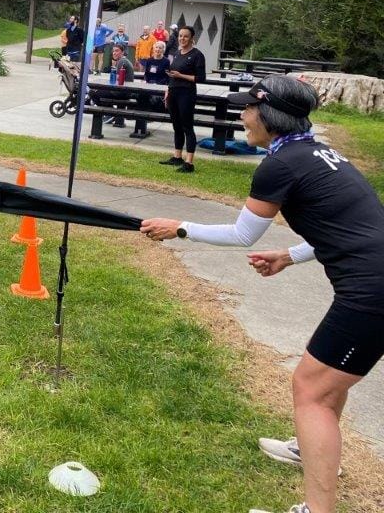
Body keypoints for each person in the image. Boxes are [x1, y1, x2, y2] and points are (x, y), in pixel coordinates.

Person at [141, 76, 384, 513]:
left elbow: (243, 234)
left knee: (310, 389)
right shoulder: (322, 154)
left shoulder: (280, 164)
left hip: (371, 293)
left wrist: (180, 227)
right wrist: (288, 256)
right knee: (327, 383)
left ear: (270, 116)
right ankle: (311, 447)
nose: (241, 117)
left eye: (248, 109)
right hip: (374, 284)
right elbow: (348, 230)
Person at [159, 25, 205, 173]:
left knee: (187, 127)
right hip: (173, 92)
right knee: (176, 126)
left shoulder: (197, 55)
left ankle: (189, 162)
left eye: (185, 36)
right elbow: (173, 74)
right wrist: (168, 90)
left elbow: (201, 78)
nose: (182, 39)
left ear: (192, 38)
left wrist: (181, 76)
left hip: (186, 94)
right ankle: (177, 156)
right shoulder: (178, 53)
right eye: (180, 36)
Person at [131, 39, 171, 138]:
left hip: (159, 85)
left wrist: (158, 84)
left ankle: (143, 117)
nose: (158, 49)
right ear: (153, 49)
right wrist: (145, 81)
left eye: (160, 48)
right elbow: (146, 74)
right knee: (139, 94)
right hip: (149, 84)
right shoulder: (149, 60)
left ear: (163, 50)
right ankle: (140, 118)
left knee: (149, 98)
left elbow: (167, 77)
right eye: (156, 47)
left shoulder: (166, 61)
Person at [106, 44, 135, 128]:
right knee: (100, 92)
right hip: (125, 91)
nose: (114, 53)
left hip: (122, 92)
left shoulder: (122, 62)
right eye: (113, 51)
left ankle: (110, 114)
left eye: (117, 51)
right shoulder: (122, 61)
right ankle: (112, 115)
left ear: (122, 52)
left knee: (94, 93)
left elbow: (117, 79)